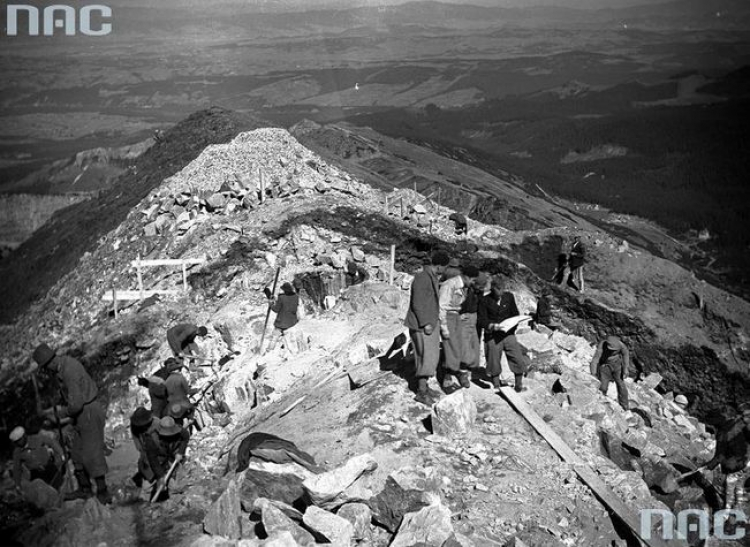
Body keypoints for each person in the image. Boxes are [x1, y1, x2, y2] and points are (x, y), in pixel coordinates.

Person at [33, 343, 110, 503]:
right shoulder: (62, 367)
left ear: (50, 363)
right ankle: (85, 489)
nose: (46, 372)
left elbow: (76, 405)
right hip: (81, 414)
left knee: (91, 454)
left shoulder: (69, 371)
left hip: (88, 412)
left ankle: (103, 492)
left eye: (45, 368)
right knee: (76, 452)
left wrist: (60, 414)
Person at [404, 250, 450, 405]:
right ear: (439, 266)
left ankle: (424, 387)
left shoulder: (430, 277)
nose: (444, 271)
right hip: (423, 325)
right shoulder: (422, 278)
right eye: (444, 268)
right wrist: (426, 323)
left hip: (429, 323)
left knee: (428, 358)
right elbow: (417, 303)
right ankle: (421, 392)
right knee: (426, 357)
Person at [477, 276, 530, 393]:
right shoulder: (484, 300)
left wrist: (513, 324)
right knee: (493, 359)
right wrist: (491, 326)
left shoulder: (509, 297)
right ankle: (496, 384)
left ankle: (518, 385)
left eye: (502, 289)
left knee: (516, 356)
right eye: (498, 289)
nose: (500, 292)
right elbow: (481, 319)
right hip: (493, 335)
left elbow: (515, 313)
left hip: (508, 333)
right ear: (492, 288)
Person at [439, 265, 479, 392]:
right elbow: (442, 307)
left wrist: (459, 316)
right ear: (467, 277)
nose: (473, 283)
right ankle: (446, 381)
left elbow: (457, 305)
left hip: (456, 317)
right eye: (472, 280)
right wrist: (444, 328)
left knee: (460, 347)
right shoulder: (450, 285)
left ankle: (460, 373)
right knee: (451, 350)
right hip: (448, 319)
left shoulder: (464, 287)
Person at [704, 408, 750, 510]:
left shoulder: (722, 434)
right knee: (740, 491)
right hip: (747, 462)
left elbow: (718, 457)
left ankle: (728, 516)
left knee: (729, 498)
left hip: (736, 467)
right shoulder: (737, 422)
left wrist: (706, 467)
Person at [10, 426, 66, 493]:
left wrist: (61, 453)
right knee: (42, 492)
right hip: (36, 474)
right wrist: (17, 484)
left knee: (60, 486)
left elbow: (52, 442)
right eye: (16, 442)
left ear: (24, 436)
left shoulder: (37, 438)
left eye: (20, 440)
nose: (19, 443)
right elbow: (17, 468)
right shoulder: (17, 452)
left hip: (49, 467)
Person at [152, 416, 190, 500]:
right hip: (160, 456)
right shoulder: (153, 438)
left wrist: (180, 452)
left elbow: (186, 436)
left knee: (175, 469)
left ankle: (173, 479)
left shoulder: (180, 430)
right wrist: (160, 476)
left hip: (173, 450)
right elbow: (153, 459)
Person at [590, 335, 630, 410]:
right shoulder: (602, 346)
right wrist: (593, 373)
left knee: (621, 386)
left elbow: (625, 355)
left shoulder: (621, 345)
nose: (612, 351)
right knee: (603, 387)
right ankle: (601, 403)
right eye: (611, 350)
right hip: (605, 368)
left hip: (617, 367)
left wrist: (625, 369)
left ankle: (625, 407)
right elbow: (595, 360)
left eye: (614, 350)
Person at [129, 407, 160, 490]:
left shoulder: (157, 422)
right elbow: (137, 443)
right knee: (145, 465)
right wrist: (143, 454)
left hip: (158, 449)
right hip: (145, 448)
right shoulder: (134, 426)